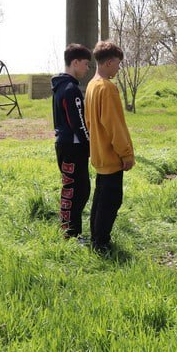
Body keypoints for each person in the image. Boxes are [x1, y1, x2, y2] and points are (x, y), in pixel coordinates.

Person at [85, 41, 135, 255]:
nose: (118, 68)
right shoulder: (107, 88)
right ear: (107, 62)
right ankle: (101, 243)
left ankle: (95, 237)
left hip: (98, 153)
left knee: (100, 197)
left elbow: (89, 122)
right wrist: (126, 154)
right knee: (111, 200)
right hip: (111, 154)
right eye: (117, 63)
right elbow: (114, 125)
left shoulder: (91, 85)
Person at [51, 43, 93, 240]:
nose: (87, 69)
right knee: (76, 189)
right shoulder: (70, 89)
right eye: (86, 64)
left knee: (77, 188)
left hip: (67, 145)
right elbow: (78, 123)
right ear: (75, 62)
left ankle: (70, 231)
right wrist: (90, 145)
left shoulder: (62, 86)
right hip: (72, 147)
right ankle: (70, 234)